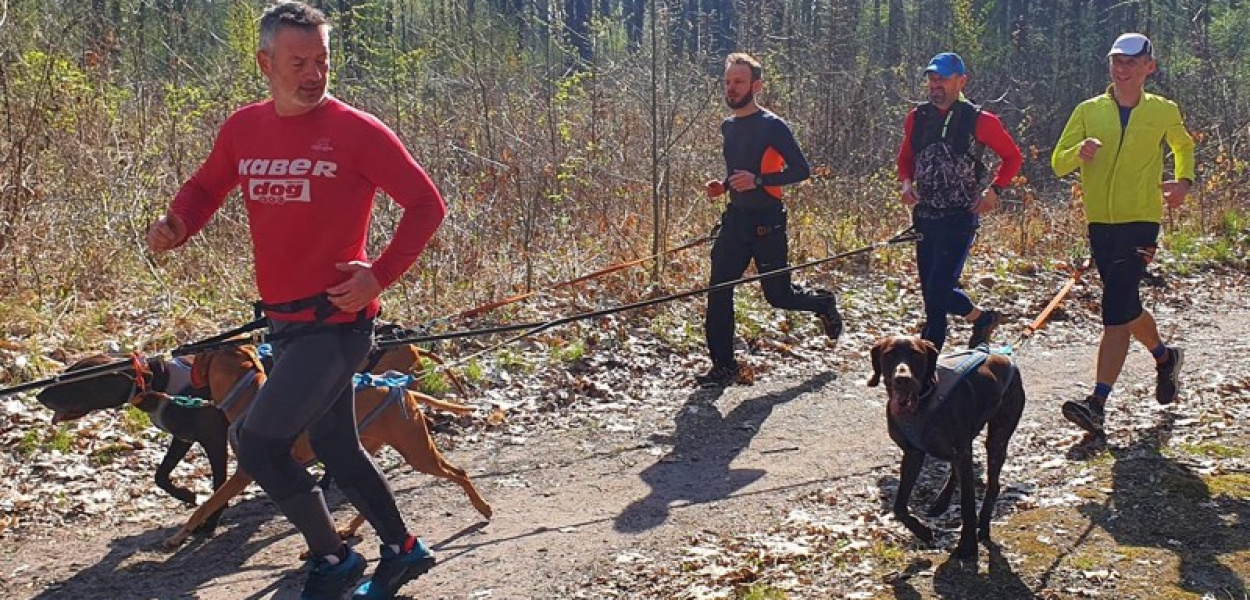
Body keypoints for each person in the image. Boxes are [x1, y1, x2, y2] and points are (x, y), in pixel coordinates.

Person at [145, 3, 446, 599]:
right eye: (298, 62)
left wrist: (378, 275)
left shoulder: (358, 131)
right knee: (336, 443)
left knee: (256, 441)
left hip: (338, 324)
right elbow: (208, 185)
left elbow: (426, 205)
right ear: (265, 63)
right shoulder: (244, 129)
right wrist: (179, 222)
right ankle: (403, 550)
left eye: (322, 61)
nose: (314, 73)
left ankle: (333, 559)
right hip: (286, 326)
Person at [1051, 32, 1194, 436]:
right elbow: (1057, 164)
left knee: (1115, 305)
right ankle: (1165, 358)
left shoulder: (1163, 111)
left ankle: (1096, 403)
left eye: (1132, 61)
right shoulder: (1087, 110)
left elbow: (1183, 147)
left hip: (1142, 221)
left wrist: (1183, 181)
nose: (1122, 68)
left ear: (1149, 66)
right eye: (1117, 60)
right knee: (1124, 301)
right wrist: (1077, 153)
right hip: (1101, 224)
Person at [698, 52, 842, 388]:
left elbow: (801, 170)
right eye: (728, 82)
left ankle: (823, 303)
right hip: (735, 219)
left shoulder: (773, 126)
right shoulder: (728, 126)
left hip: (767, 222)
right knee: (719, 289)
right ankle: (723, 366)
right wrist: (723, 185)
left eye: (739, 82)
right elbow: (738, 170)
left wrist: (760, 181)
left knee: (778, 296)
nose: (732, 89)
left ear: (756, 85)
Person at [897, 52, 1023, 352]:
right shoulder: (918, 117)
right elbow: (905, 158)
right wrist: (905, 183)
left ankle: (928, 363)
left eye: (943, 78)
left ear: (961, 81)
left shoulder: (980, 120)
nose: (935, 84)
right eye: (932, 78)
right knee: (932, 295)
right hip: (925, 216)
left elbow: (1012, 157)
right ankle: (981, 320)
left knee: (938, 291)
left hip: (960, 217)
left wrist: (995, 191)